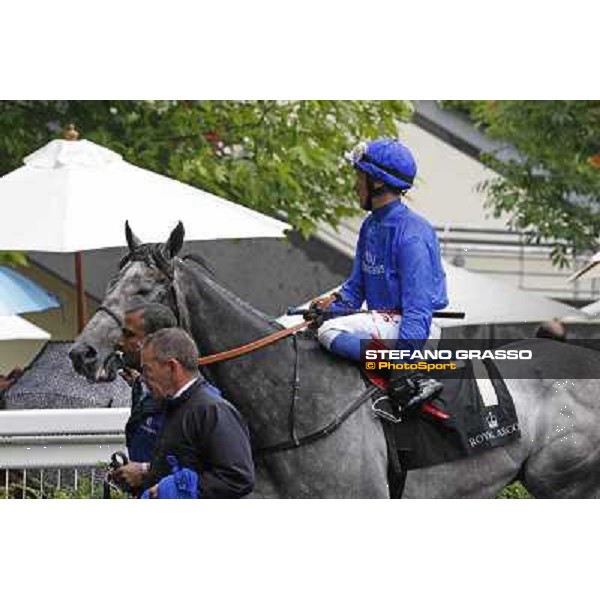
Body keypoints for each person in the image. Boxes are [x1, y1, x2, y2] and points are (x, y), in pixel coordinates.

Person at [312, 138, 449, 412]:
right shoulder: (370, 225)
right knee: (312, 321)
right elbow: (355, 289)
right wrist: (332, 304)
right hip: (385, 324)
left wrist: (402, 364)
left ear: (377, 183)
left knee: (330, 331)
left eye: (359, 176)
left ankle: (415, 376)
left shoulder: (412, 234)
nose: (354, 185)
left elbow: (418, 311)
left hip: (414, 331)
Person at [112, 327, 255, 499]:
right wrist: (144, 473)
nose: (142, 378)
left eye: (148, 370)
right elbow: (183, 463)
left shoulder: (213, 410)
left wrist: (174, 489)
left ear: (172, 367)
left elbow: (238, 478)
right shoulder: (172, 404)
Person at [118, 300, 177, 463]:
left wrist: (144, 472)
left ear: (156, 342)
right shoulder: (141, 387)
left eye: (129, 335)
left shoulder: (191, 398)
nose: (119, 342)